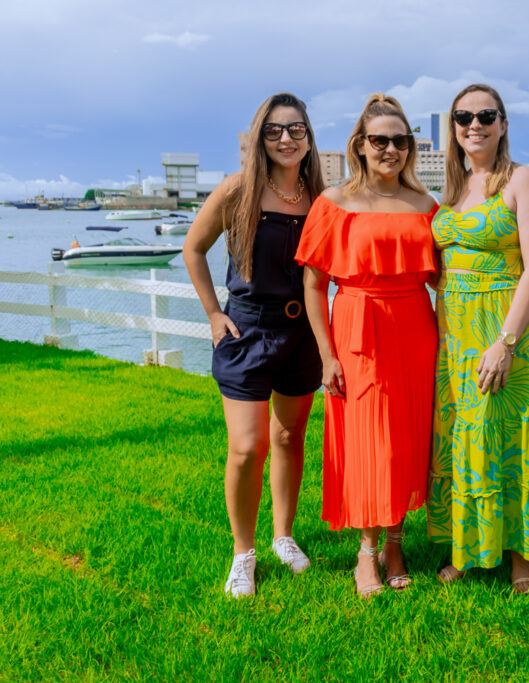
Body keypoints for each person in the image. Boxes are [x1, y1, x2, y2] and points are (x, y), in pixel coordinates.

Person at [183, 92, 325, 598]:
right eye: (275, 131)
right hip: (247, 332)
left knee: (289, 439)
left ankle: (283, 536)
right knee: (248, 448)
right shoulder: (237, 190)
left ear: (309, 138)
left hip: (302, 334)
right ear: (260, 137)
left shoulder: (319, 198)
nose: (287, 139)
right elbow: (193, 248)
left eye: (296, 130)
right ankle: (244, 552)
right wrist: (214, 313)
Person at [297, 94, 438, 598]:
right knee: (367, 443)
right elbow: (314, 285)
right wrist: (326, 354)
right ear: (360, 144)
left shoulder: (425, 205)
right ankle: (366, 552)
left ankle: (396, 543)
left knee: (406, 438)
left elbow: (447, 279)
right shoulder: (333, 203)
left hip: (416, 329)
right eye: (380, 140)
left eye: (401, 141)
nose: (391, 149)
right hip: (356, 327)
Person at [426, 84, 529, 593]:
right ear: (452, 126)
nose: (473, 124)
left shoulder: (522, 180)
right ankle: (469, 547)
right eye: (463, 116)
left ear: (502, 124)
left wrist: (506, 341)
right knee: (465, 437)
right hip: (453, 336)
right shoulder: (452, 188)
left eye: (485, 115)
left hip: (505, 330)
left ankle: (522, 558)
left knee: (512, 441)